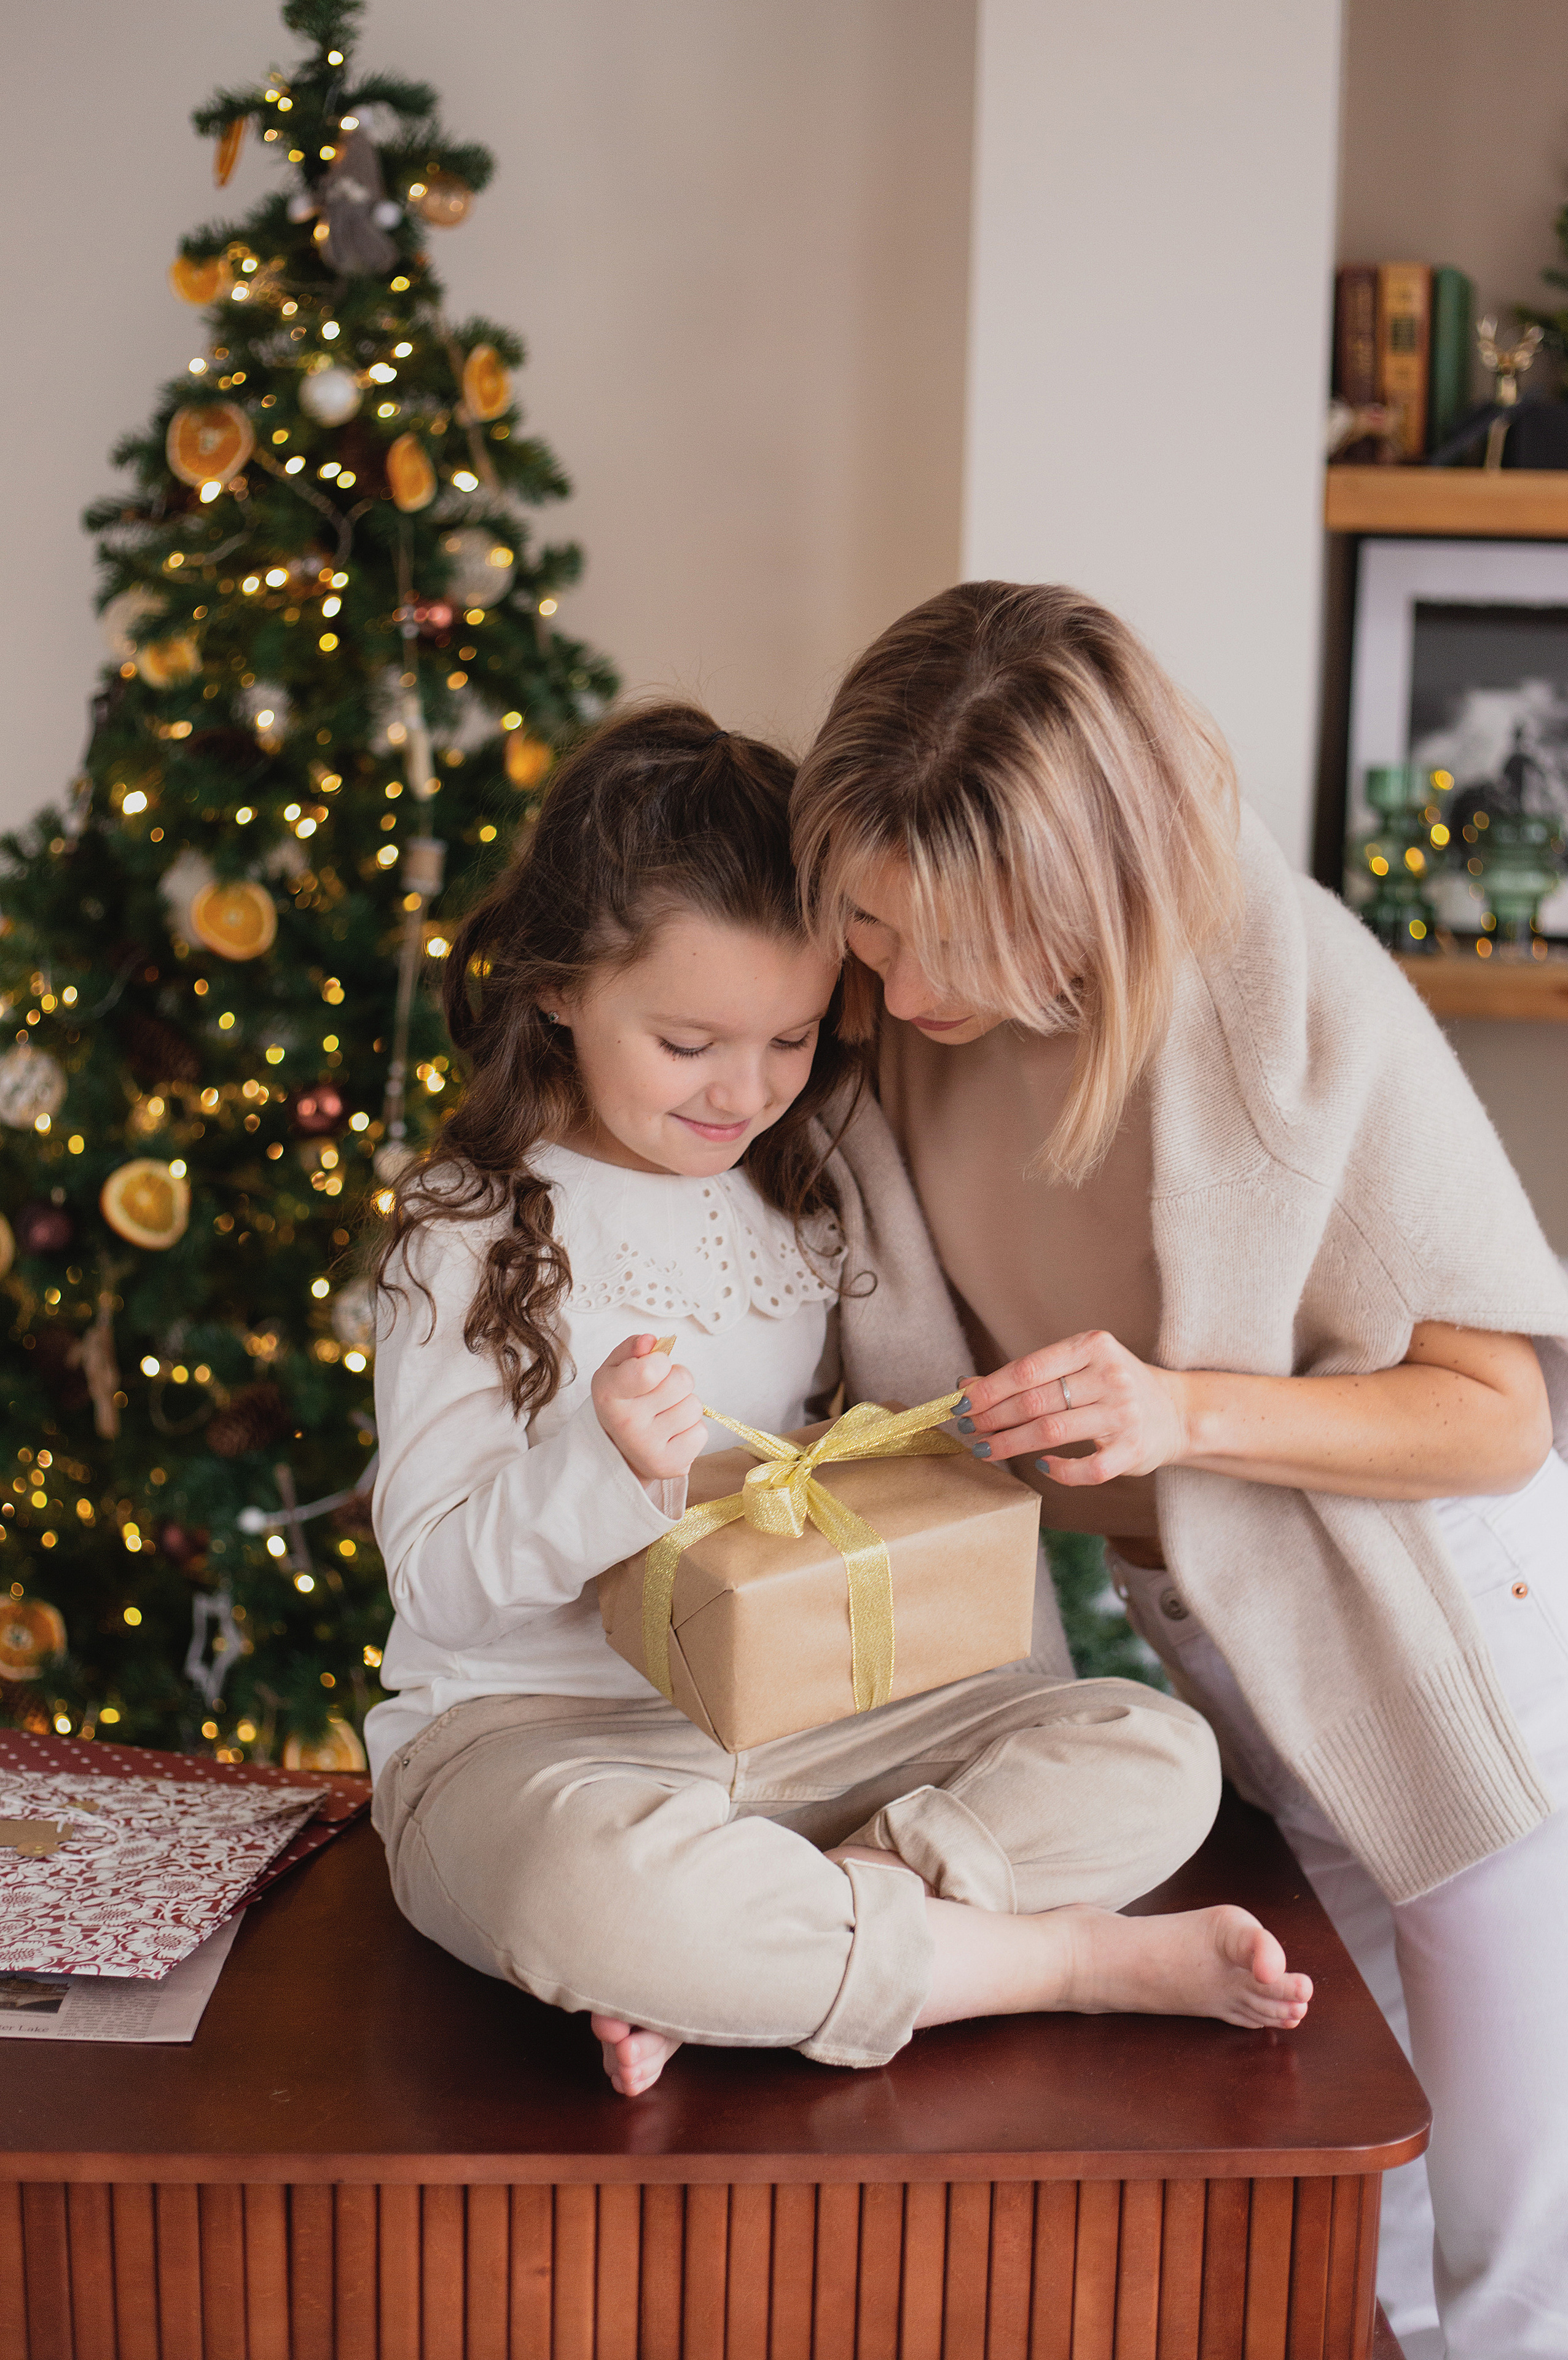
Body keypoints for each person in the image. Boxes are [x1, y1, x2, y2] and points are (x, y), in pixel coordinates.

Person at [791, 580, 1568, 2360]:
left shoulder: (1291, 1005)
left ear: (1076, 896)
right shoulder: (896, 1025)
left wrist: (1184, 1412)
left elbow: (1496, 1411)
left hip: (1459, 1649)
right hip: (1240, 1651)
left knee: (1520, 2270)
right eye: (866, 920)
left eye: (943, 945)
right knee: (1346, 2229)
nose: (895, 986)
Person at [365, 701, 1309, 2101]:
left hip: (809, 1730)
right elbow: (437, 1586)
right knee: (591, 1899)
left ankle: (792, 1938)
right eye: (688, 1043)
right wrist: (606, 1471)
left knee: (1152, 1751)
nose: (742, 1092)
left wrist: (939, 1444)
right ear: (560, 986)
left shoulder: (801, 1189)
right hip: (529, 1743)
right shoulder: (468, 1231)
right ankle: (1055, 1962)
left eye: (792, 1041)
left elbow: (838, 1470)